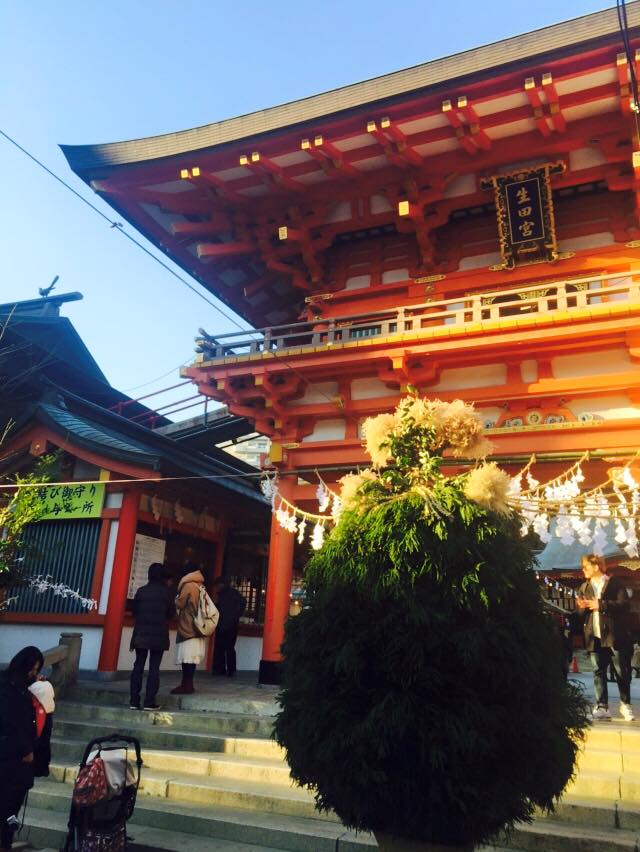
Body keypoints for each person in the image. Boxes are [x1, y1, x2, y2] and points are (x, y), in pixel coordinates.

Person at [576, 554, 634, 721]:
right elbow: (580, 614)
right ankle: (602, 706)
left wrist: (601, 604)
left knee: (621, 671)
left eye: (586, 567)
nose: (583, 570)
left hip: (614, 635)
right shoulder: (584, 587)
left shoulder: (615, 584)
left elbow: (624, 605)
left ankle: (625, 704)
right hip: (594, 635)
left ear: (596, 567)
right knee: (598, 671)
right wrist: (581, 607)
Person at [0, 646, 44, 852]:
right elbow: (13, 723)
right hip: (11, 759)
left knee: (9, 809)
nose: (33, 674)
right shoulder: (12, 690)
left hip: (12, 758)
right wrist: (26, 750)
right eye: (32, 669)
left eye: (36, 670)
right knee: (8, 808)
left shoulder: (15, 685)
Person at [129, 562, 174, 710]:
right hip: (159, 635)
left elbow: (134, 611)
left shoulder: (141, 591)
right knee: (154, 668)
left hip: (141, 633)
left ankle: (134, 701)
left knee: (138, 666)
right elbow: (171, 614)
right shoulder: (167, 593)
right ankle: (149, 702)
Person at [171, 562, 207, 695]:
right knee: (192, 658)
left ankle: (186, 685)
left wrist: (175, 599)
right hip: (198, 626)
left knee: (187, 657)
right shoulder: (200, 585)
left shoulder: (188, 585)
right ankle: (188, 684)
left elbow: (180, 603)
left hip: (188, 626)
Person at [212, 577, 246, 677]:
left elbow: (218, 609)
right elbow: (243, 602)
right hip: (232, 624)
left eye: (217, 585)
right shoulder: (235, 594)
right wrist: (236, 616)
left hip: (222, 624)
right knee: (229, 647)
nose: (216, 587)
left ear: (221, 584)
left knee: (220, 647)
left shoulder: (221, 595)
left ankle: (219, 669)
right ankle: (231, 670)